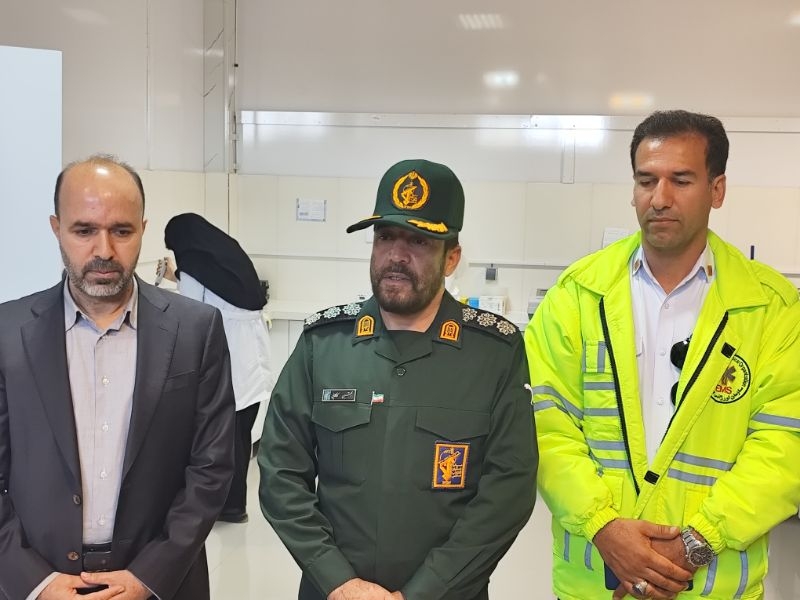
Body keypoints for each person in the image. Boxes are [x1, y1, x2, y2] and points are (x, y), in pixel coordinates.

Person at [525, 110, 800, 600]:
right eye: (646, 180)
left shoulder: (770, 307)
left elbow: (784, 446)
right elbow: (545, 425)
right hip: (595, 585)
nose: (660, 198)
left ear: (717, 190)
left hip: (712, 587)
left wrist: (695, 543)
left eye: (682, 180)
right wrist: (603, 526)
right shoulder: (577, 295)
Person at [258, 158, 538, 600]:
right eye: (385, 237)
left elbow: (509, 490)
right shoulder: (324, 345)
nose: (396, 256)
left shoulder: (493, 354)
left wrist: (425, 591)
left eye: (419, 241)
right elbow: (280, 471)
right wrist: (338, 581)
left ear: (452, 257)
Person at [0, 155, 235, 600]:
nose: (104, 251)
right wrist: (35, 582)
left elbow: (211, 468)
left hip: (163, 582)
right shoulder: (8, 333)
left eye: (122, 231)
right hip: (40, 579)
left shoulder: (196, 330)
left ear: (143, 229)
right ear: (56, 228)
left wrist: (150, 576)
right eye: (84, 230)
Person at [160, 212, 273, 523]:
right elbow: (218, 295)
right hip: (254, 359)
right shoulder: (226, 254)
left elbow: (191, 310)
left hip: (231, 360)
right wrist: (176, 277)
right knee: (240, 436)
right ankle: (234, 505)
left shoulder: (193, 264)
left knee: (223, 440)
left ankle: (229, 507)